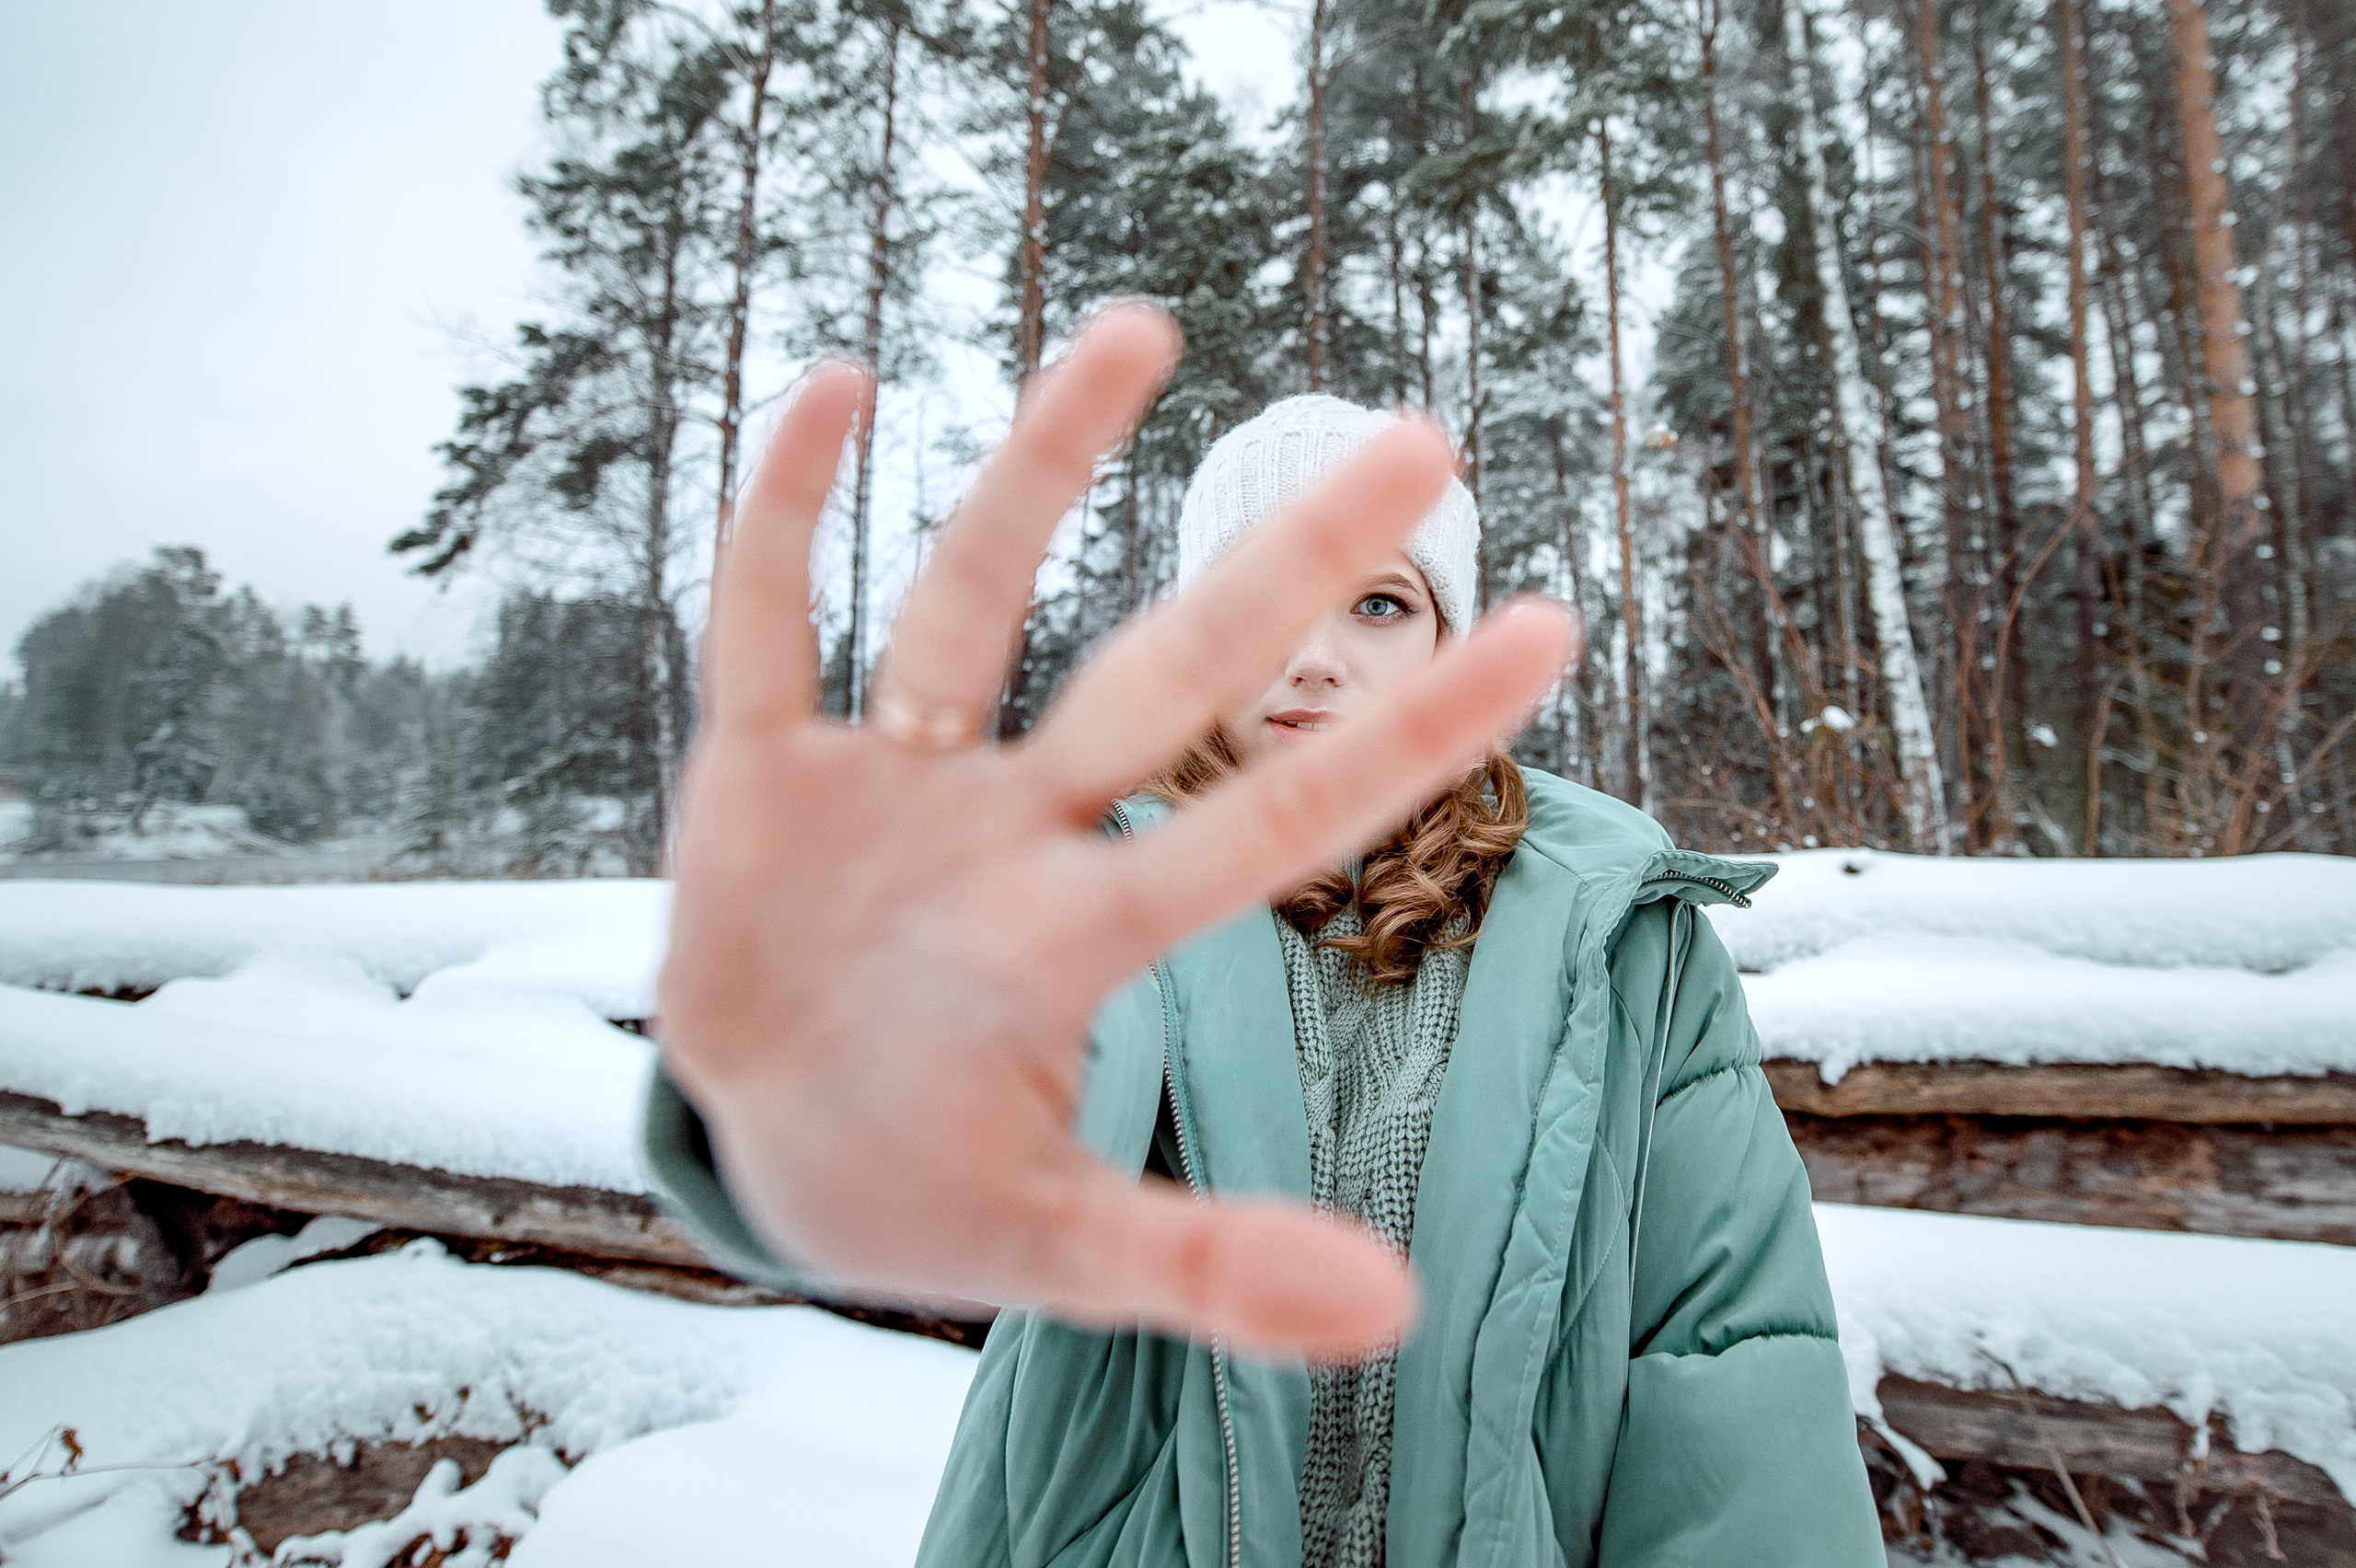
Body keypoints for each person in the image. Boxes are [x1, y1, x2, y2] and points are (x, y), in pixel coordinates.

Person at [643, 304, 1884, 1565]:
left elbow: (1729, 1353)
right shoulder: (1094, 895)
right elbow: (1044, 1088)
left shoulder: (1625, 939)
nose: (1310, 655)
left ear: (1450, 640)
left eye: (1380, 606)